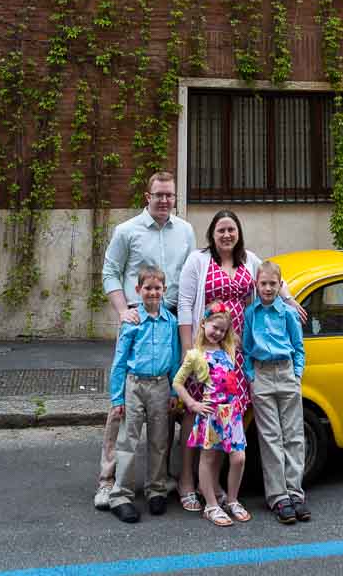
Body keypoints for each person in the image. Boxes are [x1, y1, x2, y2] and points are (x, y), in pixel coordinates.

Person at [176, 209, 303, 511]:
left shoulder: (250, 259)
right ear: (212, 233)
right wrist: (187, 349)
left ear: (238, 232)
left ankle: (215, 482)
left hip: (236, 352)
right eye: (221, 230)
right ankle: (185, 480)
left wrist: (289, 299)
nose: (226, 235)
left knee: (224, 414)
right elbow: (184, 302)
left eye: (231, 229)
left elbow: (273, 279)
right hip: (206, 348)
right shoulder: (198, 260)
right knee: (196, 414)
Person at [94, 170, 196, 510]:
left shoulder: (185, 231)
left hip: (170, 322)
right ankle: (109, 482)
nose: (165, 200)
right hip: (138, 320)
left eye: (170, 195)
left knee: (164, 401)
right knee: (121, 409)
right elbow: (110, 271)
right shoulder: (127, 231)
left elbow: (190, 276)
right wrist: (124, 311)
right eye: (159, 195)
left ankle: (158, 481)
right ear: (147, 196)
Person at [107, 263, 181, 523]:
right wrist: (117, 397)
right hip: (135, 385)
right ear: (138, 290)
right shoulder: (132, 320)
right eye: (147, 288)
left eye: (157, 288)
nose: (152, 293)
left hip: (160, 386)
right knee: (128, 440)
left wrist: (173, 389)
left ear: (164, 290)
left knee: (160, 440)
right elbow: (119, 360)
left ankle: (156, 489)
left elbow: (174, 358)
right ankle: (121, 495)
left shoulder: (170, 322)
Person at [243, 260, 310, 525]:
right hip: (261, 376)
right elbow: (247, 348)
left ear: (280, 285)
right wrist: (251, 377)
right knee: (270, 438)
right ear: (256, 285)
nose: (268, 288)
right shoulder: (251, 313)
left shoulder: (288, 314)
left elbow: (299, 346)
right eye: (263, 284)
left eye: (273, 284)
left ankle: (295, 493)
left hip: (286, 373)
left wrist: (297, 374)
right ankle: (278, 497)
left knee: (293, 436)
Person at [173, 301, 250, 527]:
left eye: (222, 330)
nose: (217, 333)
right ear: (204, 323)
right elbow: (178, 382)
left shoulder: (228, 349)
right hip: (212, 413)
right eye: (214, 327)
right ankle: (211, 505)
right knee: (209, 457)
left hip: (232, 414)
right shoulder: (195, 355)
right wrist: (192, 404)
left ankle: (232, 499)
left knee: (238, 457)